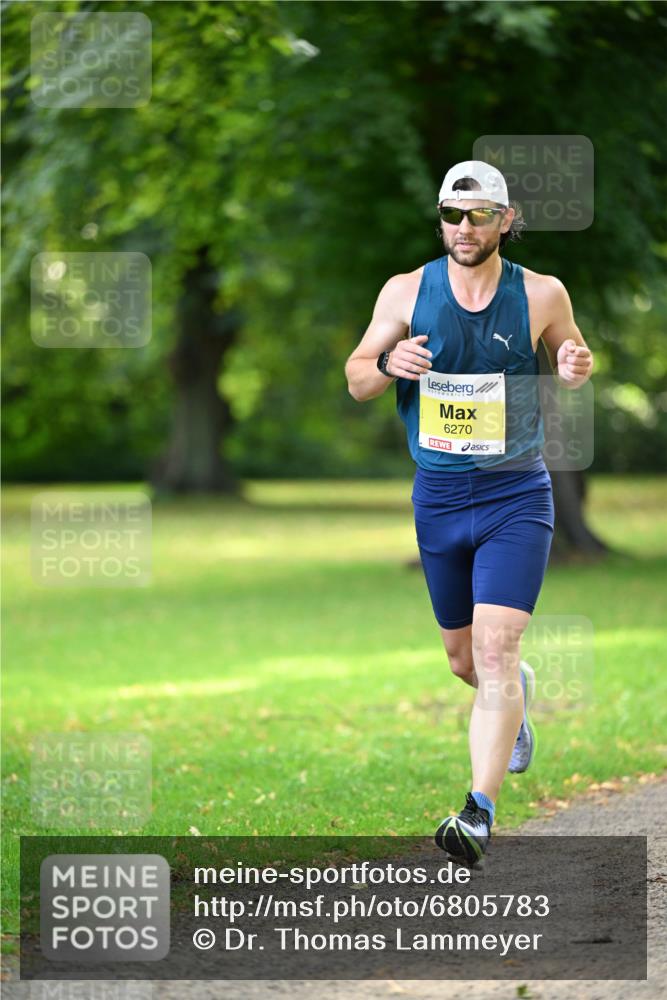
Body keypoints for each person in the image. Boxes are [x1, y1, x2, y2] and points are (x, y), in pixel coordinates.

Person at [344, 160, 593, 865]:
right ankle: (515, 697)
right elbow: (357, 374)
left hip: (516, 494)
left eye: (479, 214)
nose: (463, 227)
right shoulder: (405, 290)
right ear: (441, 218)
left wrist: (576, 365)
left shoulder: (540, 294)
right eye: (453, 214)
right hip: (439, 497)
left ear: (505, 221)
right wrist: (389, 364)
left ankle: (476, 812)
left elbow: (574, 354)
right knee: (464, 660)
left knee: (493, 653)